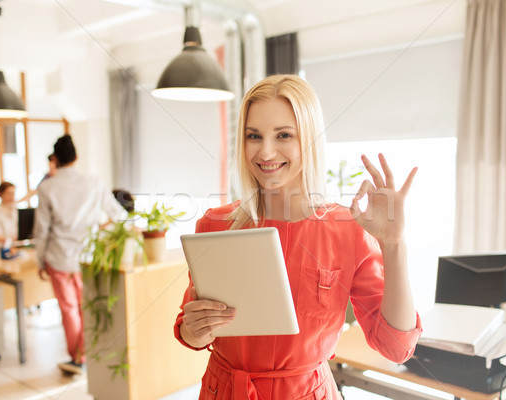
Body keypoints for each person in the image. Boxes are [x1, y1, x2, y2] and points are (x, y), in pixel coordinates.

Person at [174, 74, 422, 399]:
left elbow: (396, 348)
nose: (265, 152)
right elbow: (190, 329)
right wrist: (192, 331)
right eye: (254, 136)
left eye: (283, 135)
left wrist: (394, 244)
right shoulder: (214, 224)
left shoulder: (348, 229)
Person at [33, 134, 126, 375]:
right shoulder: (93, 182)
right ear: (76, 157)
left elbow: (41, 230)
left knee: (69, 309)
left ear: (56, 159)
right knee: (88, 307)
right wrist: (99, 229)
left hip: (59, 259)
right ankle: (88, 354)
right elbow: (118, 214)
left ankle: (78, 359)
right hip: (89, 257)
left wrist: (40, 259)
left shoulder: (47, 187)